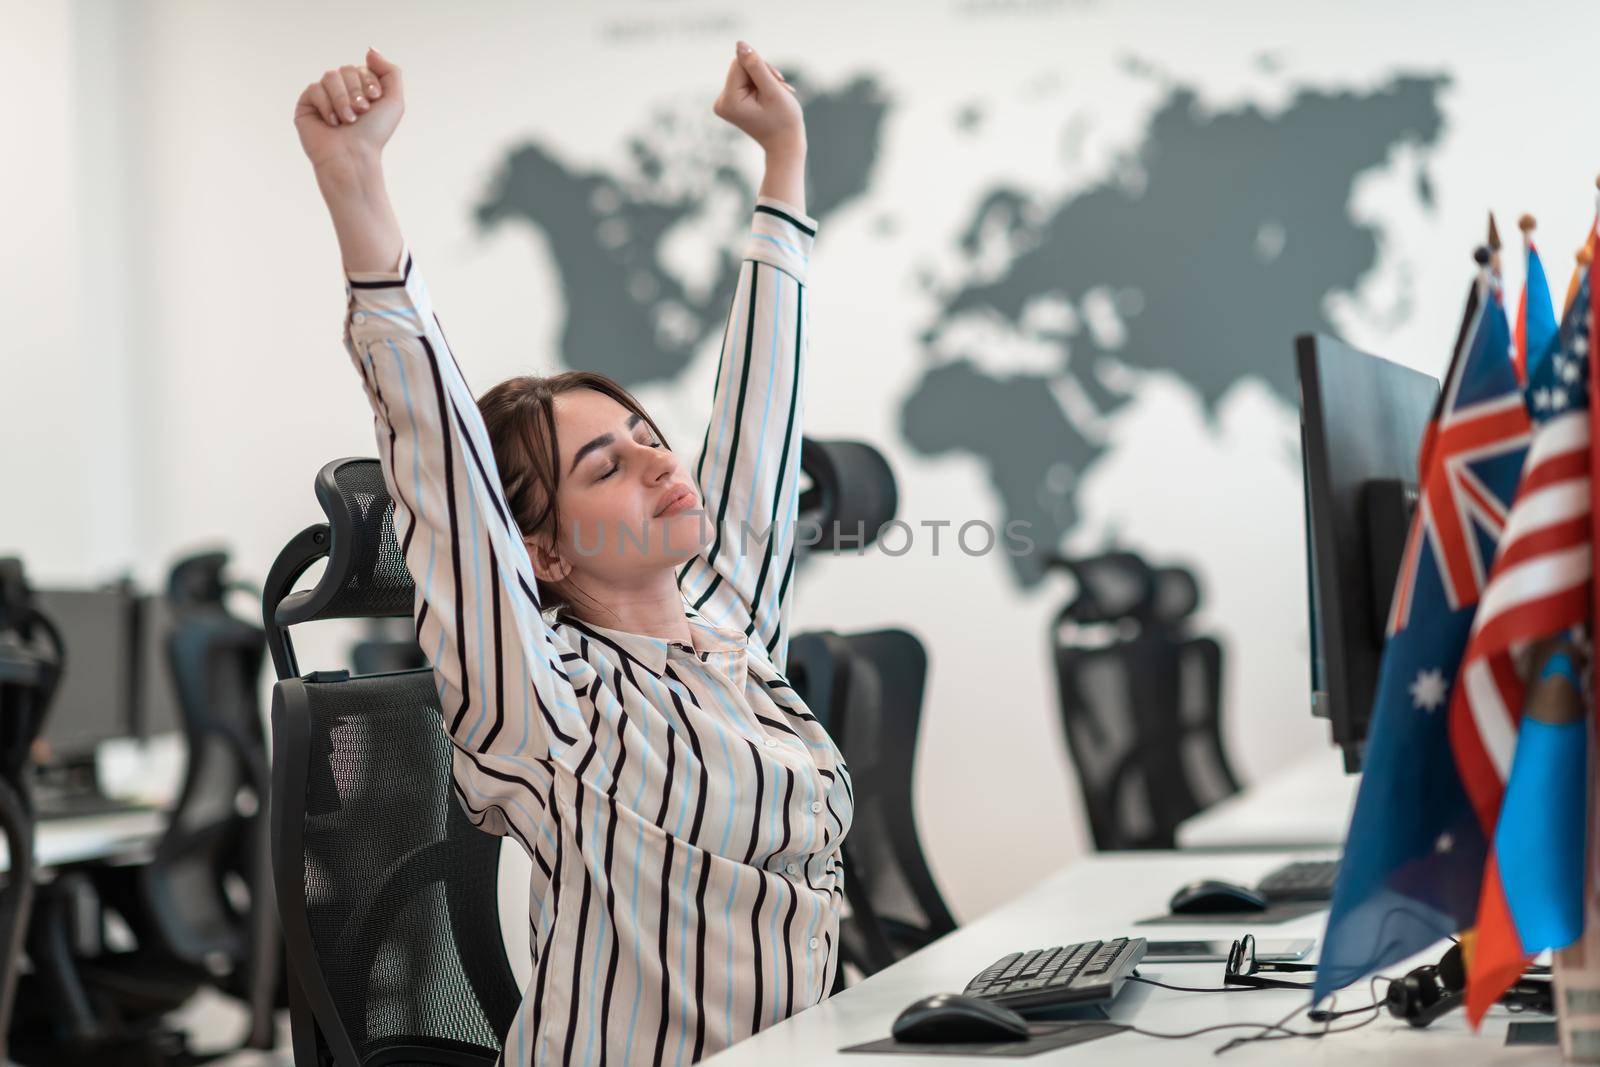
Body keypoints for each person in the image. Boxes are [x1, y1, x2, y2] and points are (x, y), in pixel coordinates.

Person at [293, 41, 852, 1065]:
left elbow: (761, 430)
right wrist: (354, 180)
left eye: (646, 434)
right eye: (604, 465)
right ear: (540, 551)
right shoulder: (547, 702)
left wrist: (783, 162)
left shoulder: (730, 634)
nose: (653, 459)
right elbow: (444, 475)